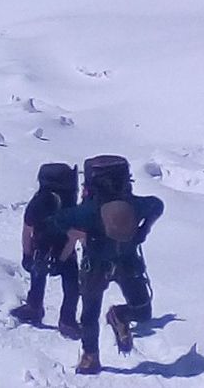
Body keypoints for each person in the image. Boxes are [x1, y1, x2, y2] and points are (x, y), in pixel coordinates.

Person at [53, 153, 164, 375]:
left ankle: (106, 333)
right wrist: (143, 230)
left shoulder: (89, 210)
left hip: (104, 263)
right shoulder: (132, 205)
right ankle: (91, 353)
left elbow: (59, 220)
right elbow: (156, 205)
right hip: (120, 261)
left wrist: (74, 233)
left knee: (96, 313)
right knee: (121, 311)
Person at [10, 161, 81, 338]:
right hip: (60, 246)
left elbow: (27, 229)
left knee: (39, 273)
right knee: (71, 284)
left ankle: (35, 307)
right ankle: (67, 320)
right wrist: (64, 257)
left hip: (42, 247)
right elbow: (74, 235)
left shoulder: (38, 202)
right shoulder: (69, 203)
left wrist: (27, 254)